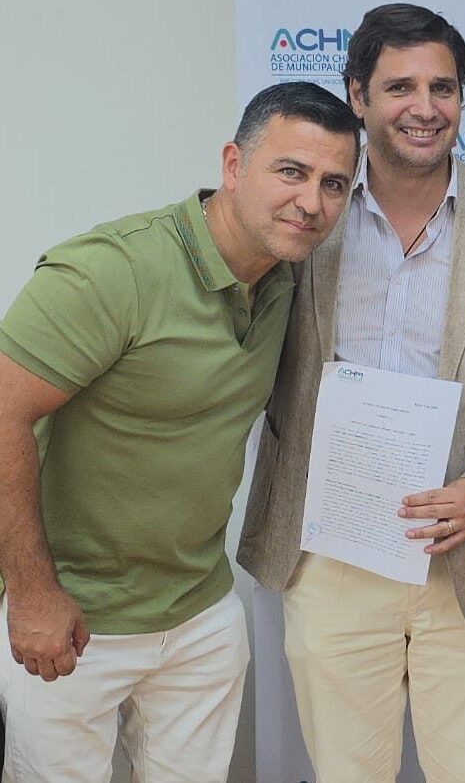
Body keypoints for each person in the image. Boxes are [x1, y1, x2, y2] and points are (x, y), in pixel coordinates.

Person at [236, 4, 465, 783]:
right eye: (400, 87)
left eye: (442, 87)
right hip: (330, 556)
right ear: (357, 95)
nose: (425, 107)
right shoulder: (305, 219)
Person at [0, 82, 360, 781]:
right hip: (76, 620)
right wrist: (33, 594)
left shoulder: (289, 282)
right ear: (233, 165)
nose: (312, 202)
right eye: (291, 171)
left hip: (201, 615)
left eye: (333, 184)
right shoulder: (113, 270)